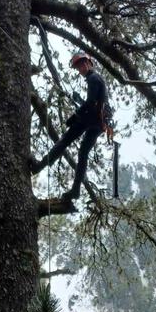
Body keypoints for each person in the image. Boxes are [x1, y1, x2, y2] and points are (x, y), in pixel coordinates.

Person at [30, 52, 108, 201]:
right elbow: (94, 100)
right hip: (100, 121)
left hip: (93, 117)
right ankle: (76, 190)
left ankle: (39, 166)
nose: (81, 68)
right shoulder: (96, 79)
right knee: (83, 153)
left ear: (89, 63)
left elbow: (91, 102)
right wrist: (78, 100)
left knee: (65, 140)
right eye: (79, 67)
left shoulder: (93, 78)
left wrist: (75, 116)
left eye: (83, 65)